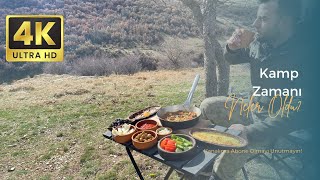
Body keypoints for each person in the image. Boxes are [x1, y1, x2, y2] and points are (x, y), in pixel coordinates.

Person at [199, 0, 308, 179]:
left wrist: (249, 131)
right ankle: (203, 165)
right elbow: (232, 58)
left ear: (285, 21)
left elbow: (296, 114)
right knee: (206, 106)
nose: (255, 24)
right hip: (252, 110)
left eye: (263, 19)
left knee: (227, 160)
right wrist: (232, 48)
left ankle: (216, 174)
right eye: (256, 17)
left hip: (274, 128)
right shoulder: (262, 43)